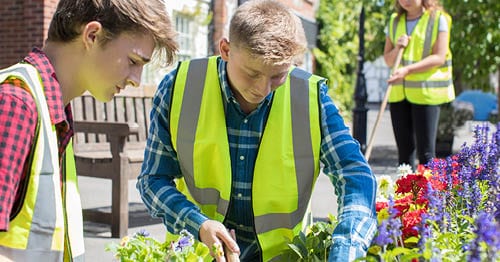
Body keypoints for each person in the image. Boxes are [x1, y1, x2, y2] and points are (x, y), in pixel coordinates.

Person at [137, 0, 377, 261]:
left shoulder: (312, 99)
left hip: (284, 256)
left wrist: (345, 251)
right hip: (197, 252)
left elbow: (355, 175)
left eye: (277, 76)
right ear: (226, 49)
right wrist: (197, 224)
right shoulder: (178, 88)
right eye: (252, 73)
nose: (262, 90)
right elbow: (153, 180)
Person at [0, 0, 177, 260]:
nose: (136, 79)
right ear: (92, 35)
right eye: (133, 61)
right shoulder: (17, 104)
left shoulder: (54, 112)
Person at [383, 0, 455, 169]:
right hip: (398, 94)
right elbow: (388, 60)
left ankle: (429, 195)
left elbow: (439, 56)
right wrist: (398, 47)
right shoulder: (394, 21)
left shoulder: (438, 19)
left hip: (426, 94)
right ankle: (406, 194)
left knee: (427, 154)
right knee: (404, 154)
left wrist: (407, 70)